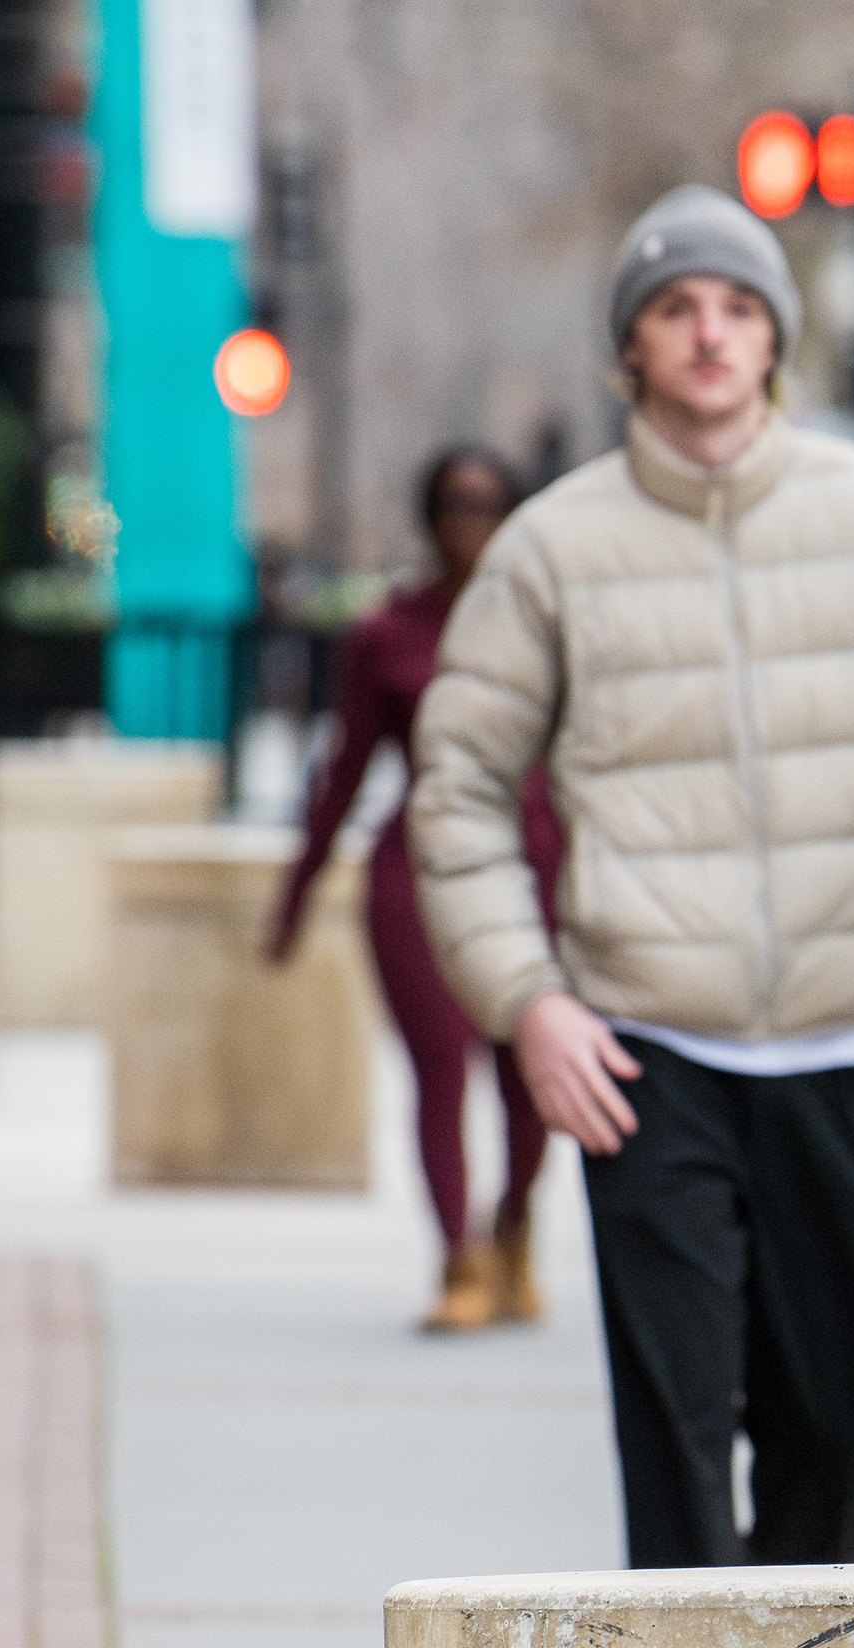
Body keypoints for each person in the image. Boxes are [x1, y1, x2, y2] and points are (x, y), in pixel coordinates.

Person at [408, 184, 854, 1568]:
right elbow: (456, 786)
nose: (709, 334)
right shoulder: (552, 552)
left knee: (847, 1428)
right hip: (646, 1056)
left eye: (738, 309)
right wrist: (528, 1001)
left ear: (777, 341)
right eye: (674, 310)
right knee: (679, 1435)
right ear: (630, 350)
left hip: (848, 1044)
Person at [268, 448, 566, 1332]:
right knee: (439, 1070)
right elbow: (346, 768)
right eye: (453, 503)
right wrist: (298, 895)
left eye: (487, 502)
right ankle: (457, 1259)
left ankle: (512, 1228)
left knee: (530, 1073)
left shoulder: (549, 624)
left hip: (535, 862)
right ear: (428, 516)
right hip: (418, 872)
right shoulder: (384, 633)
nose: (470, 519)